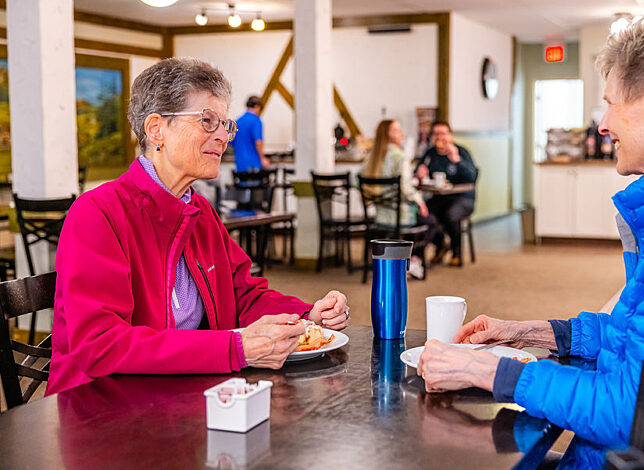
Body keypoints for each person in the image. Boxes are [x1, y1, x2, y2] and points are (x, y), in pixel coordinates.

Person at [417, 12, 644, 470]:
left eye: (612, 103)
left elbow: (632, 411)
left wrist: (486, 369)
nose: (604, 124)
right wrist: (530, 333)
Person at [47, 58, 350, 395]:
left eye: (225, 125)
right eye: (207, 121)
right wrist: (234, 349)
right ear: (156, 129)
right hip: (101, 404)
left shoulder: (199, 211)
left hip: (178, 393)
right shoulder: (98, 214)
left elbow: (243, 295)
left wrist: (306, 315)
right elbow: (101, 344)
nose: (223, 137)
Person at [363, 119, 437, 280]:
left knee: (421, 219)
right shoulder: (400, 156)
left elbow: (360, 184)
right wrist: (420, 201)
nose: (402, 133)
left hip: (381, 216)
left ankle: (401, 259)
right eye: (397, 130)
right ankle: (413, 260)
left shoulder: (371, 156)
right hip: (400, 216)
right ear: (388, 134)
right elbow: (406, 188)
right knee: (430, 221)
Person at [416, 121, 478, 266]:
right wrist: (419, 173)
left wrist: (457, 160)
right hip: (439, 197)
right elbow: (418, 171)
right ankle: (440, 245)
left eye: (443, 134)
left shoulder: (461, 152)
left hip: (463, 198)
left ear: (450, 135)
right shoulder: (430, 154)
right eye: (436, 134)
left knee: (451, 215)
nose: (440, 137)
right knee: (423, 215)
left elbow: (472, 177)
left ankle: (456, 253)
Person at [230, 95, 270, 172]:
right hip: (253, 164)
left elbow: (231, 142)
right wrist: (262, 158)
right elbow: (258, 142)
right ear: (257, 106)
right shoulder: (256, 120)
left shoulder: (237, 121)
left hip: (240, 164)